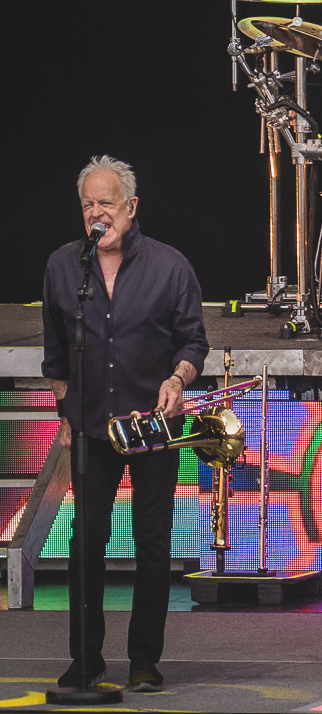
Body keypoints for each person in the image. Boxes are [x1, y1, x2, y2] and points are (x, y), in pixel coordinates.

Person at [41, 156, 208, 694]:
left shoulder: (170, 266)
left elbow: (193, 341)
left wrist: (178, 381)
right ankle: (85, 658)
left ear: (131, 208)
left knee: (152, 544)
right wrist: (66, 412)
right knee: (85, 544)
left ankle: (144, 659)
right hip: (92, 431)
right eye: (88, 204)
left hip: (152, 428)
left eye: (106, 203)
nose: (96, 212)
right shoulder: (64, 267)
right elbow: (56, 355)